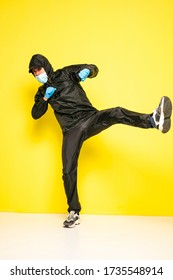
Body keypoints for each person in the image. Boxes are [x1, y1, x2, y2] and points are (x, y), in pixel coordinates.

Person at [29, 54, 172, 228]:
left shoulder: (65, 74)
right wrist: (45, 98)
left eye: (39, 69)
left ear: (46, 65)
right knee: (67, 170)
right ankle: (73, 212)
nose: (37, 74)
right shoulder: (41, 92)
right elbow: (36, 114)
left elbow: (93, 67)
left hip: (89, 118)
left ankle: (152, 120)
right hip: (71, 130)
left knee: (116, 112)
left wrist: (88, 71)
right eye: (34, 73)